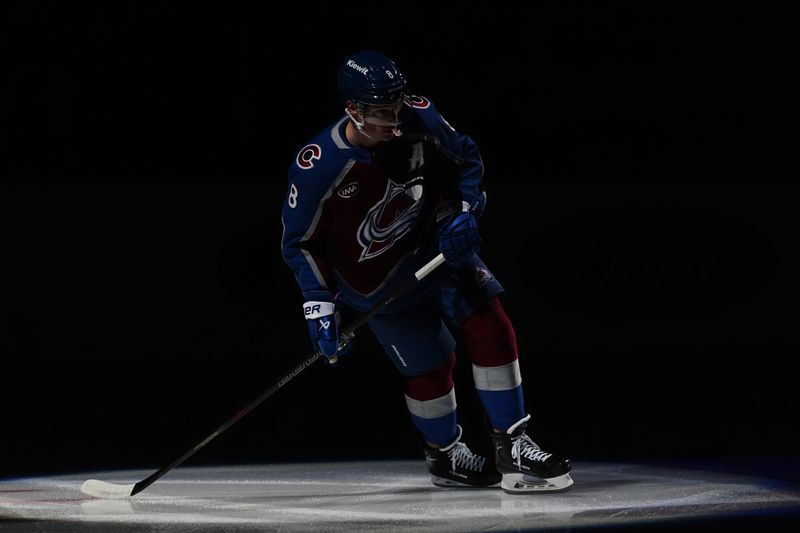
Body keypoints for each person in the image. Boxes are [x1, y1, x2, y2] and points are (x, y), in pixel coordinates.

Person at [281, 50, 572, 493]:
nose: (395, 121)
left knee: (493, 327)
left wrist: (463, 211)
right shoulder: (318, 167)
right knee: (430, 366)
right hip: (378, 289)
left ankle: (512, 443)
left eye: (397, 105)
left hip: (439, 254)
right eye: (382, 112)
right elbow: (300, 243)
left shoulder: (420, 117)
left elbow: (466, 159)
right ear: (353, 110)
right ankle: (444, 456)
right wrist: (318, 305)